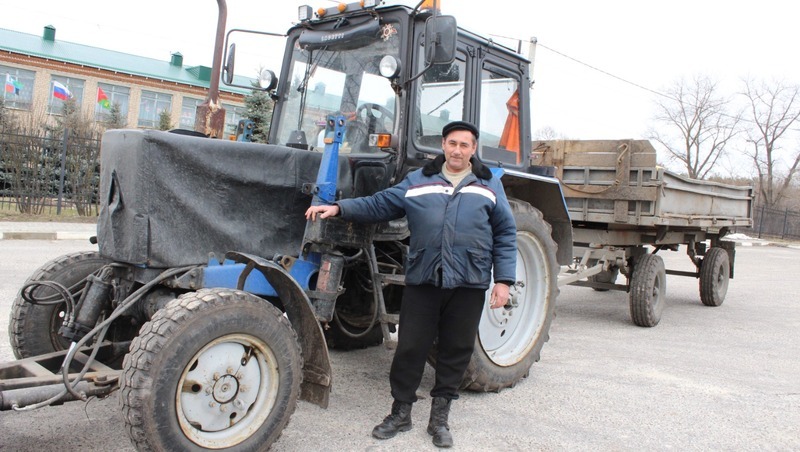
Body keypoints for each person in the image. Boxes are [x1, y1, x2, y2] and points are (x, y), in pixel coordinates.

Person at [305, 120, 517, 448]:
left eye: (464, 145)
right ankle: (400, 412)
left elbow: (505, 233)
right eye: (452, 143)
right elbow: (379, 204)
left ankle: (439, 418)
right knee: (410, 347)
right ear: (443, 145)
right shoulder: (419, 180)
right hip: (424, 279)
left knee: (455, 350)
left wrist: (503, 281)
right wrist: (339, 207)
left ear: (473, 149)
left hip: (469, 281)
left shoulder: (489, 185)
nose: (457, 150)